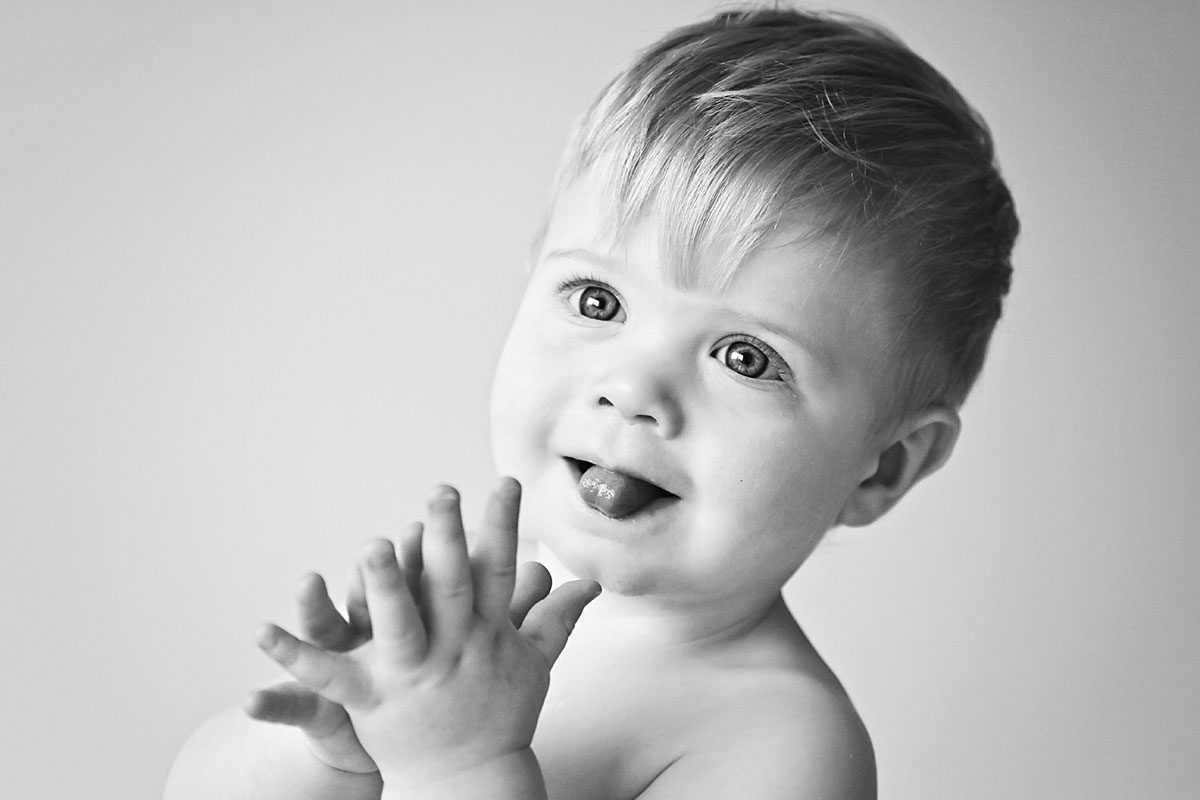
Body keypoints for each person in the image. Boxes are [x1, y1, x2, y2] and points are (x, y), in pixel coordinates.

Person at [164, 6, 1018, 799]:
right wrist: (331, 750)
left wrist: (458, 764)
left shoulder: (782, 741)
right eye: (598, 301)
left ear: (885, 467)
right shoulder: (462, 615)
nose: (632, 389)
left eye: (745, 356)